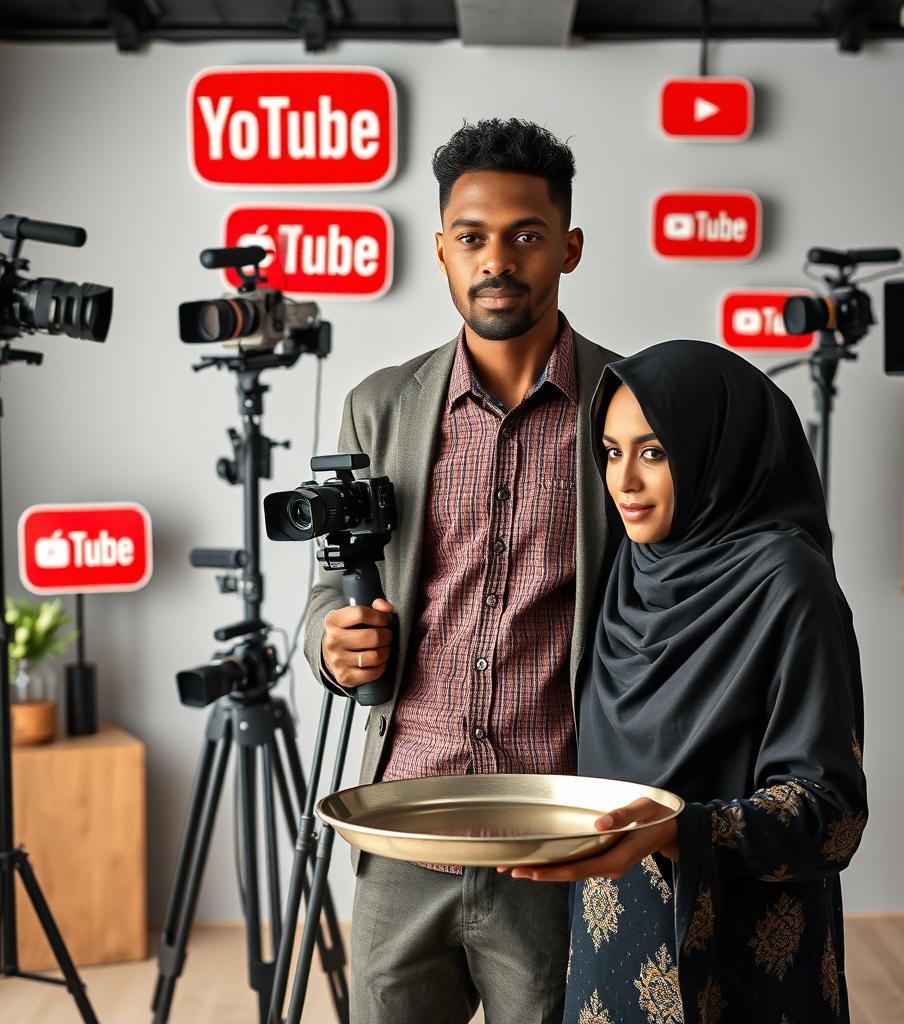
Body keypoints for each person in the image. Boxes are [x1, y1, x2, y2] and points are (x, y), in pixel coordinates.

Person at [302, 118, 620, 1024]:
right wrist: (338, 644)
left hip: (555, 837)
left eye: (525, 234)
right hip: (403, 828)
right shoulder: (378, 406)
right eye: (472, 238)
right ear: (441, 251)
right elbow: (333, 587)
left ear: (570, 246)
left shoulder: (627, 406)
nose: (498, 260)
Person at [503, 340, 868, 1024]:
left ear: (715, 449)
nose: (625, 482)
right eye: (611, 452)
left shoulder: (789, 584)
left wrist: (682, 829)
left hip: (742, 963)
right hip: (610, 953)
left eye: (654, 451)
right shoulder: (630, 571)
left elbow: (832, 816)